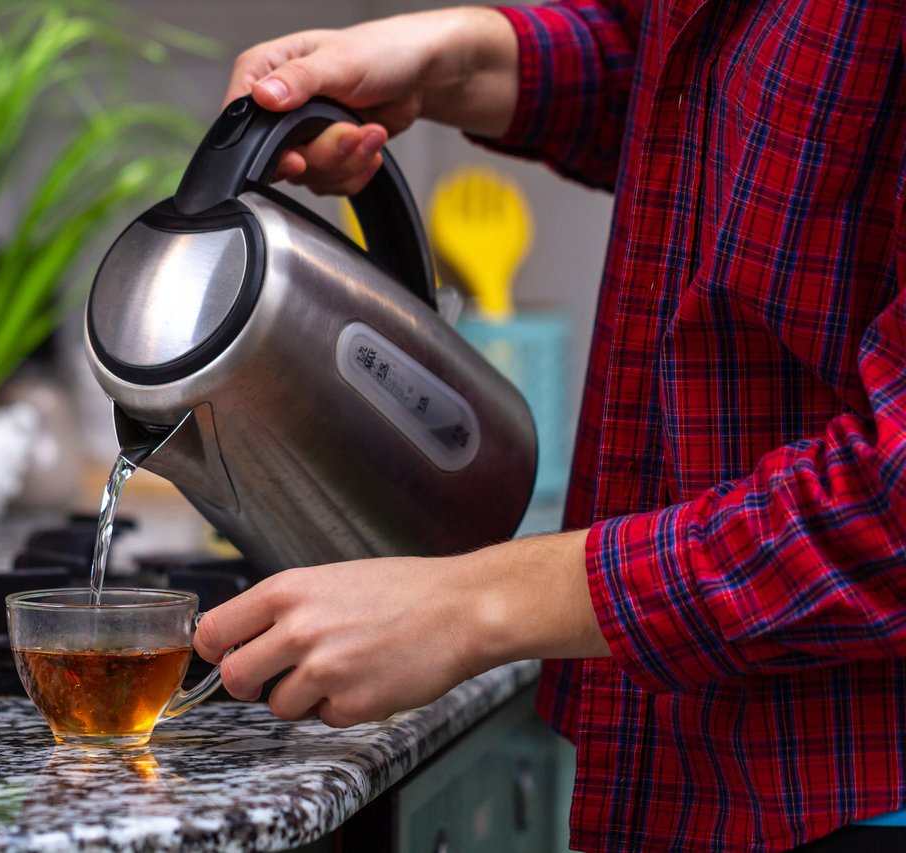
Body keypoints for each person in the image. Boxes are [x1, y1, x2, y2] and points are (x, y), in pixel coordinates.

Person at [189, 5, 906, 852]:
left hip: (852, 788)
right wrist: (446, 62)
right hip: (679, 763)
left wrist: (470, 604)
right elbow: (682, 92)